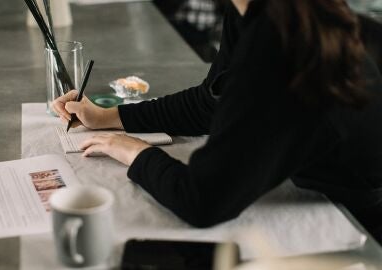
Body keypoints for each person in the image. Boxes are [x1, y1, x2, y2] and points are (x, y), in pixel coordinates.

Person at [53, 0, 382, 243]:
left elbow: (203, 200)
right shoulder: (256, 13)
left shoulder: (279, 43)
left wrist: (134, 152)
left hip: (355, 227)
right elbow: (210, 102)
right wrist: (109, 117)